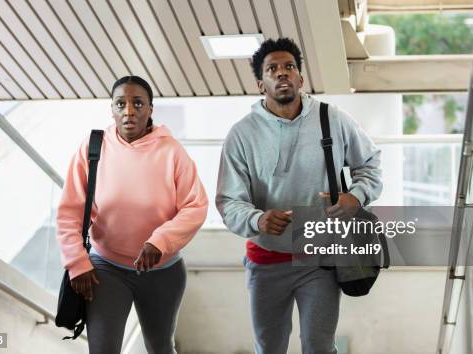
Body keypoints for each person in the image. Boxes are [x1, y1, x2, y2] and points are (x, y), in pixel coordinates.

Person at [216, 38, 382, 354]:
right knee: (269, 347)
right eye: (272, 69)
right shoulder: (241, 134)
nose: (282, 73)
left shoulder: (333, 119)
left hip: (319, 259)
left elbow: (370, 164)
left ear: (300, 79)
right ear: (260, 83)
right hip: (265, 263)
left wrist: (356, 197)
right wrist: (257, 218)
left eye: (289, 67)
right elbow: (228, 200)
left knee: (319, 347)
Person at [56, 76, 208, 354]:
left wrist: (159, 241)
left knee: (160, 347)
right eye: (121, 103)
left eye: (138, 103)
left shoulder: (172, 152)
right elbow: (70, 212)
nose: (129, 111)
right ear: (111, 109)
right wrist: (77, 262)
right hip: (106, 268)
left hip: (162, 271)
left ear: (150, 109)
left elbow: (195, 206)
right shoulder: (92, 148)